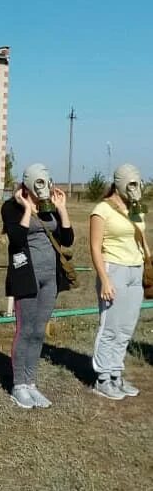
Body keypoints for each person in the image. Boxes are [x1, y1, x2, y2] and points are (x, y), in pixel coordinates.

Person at [2, 163, 74, 409]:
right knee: (25, 330)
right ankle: (18, 385)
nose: (44, 188)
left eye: (47, 182)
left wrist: (62, 210)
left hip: (50, 279)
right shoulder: (10, 207)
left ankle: (31, 382)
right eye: (39, 183)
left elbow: (67, 239)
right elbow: (17, 239)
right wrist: (25, 209)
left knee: (39, 331)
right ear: (28, 184)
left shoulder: (50, 208)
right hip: (26, 277)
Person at [89, 163, 148, 400]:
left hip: (136, 270)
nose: (136, 188)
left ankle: (116, 374)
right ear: (120, 182)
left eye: (138, 183)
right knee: (110, 327)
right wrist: (104, 279)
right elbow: (94, 247)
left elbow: (141, 238)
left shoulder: (136, 209)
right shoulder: (101, 210)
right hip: (115, 269)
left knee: (125, 328)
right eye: (131, 184)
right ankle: (102, 378)